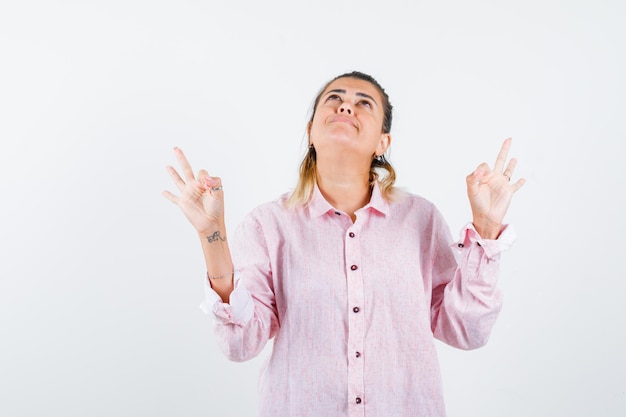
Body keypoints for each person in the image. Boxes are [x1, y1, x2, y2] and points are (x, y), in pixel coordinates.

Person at [163, 71, 525, 417]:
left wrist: (487, 227)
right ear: (310, 132)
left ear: (383, 143)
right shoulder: (268, 225)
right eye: (333, 99)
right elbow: (240, 346)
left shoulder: (420, 220)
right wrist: (212, 236)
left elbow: (467, 330)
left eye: (364, 103)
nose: (346, 106)